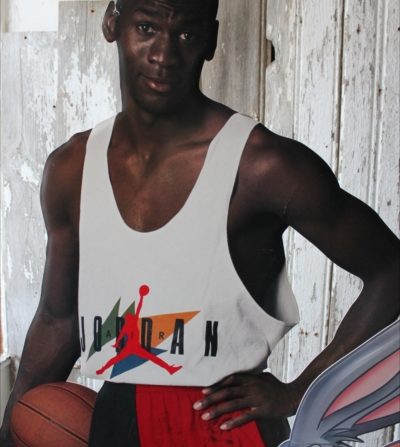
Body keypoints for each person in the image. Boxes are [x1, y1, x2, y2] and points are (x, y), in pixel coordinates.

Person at [0, 0, 399, 446]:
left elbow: (391, 269)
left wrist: (300, 392)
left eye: (186, 34)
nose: (163, 55)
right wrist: (9, 430)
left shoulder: (263, 165)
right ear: (112, 23)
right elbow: (59, 319)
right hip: (116, 416)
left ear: (211, 40)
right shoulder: (72, 168)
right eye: (147, 27)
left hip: (222, 424)